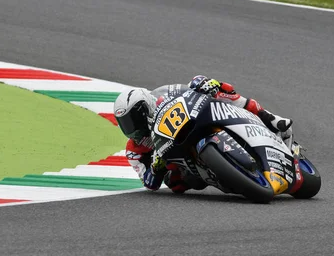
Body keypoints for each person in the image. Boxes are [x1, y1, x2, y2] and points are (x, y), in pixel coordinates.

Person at [113, 75, 293, 192]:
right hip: (181, 168)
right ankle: (218, 171)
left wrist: (202, 83)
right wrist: (155, 166)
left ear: (145, 108)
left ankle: (270, 119)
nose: (132, 128)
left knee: (222, 92)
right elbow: (149, 183)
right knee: (176, 184)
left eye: (133, 120)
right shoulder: (134, 150)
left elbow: (188, 89)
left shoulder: (164, 97)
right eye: (125, 124)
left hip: (194, 124)